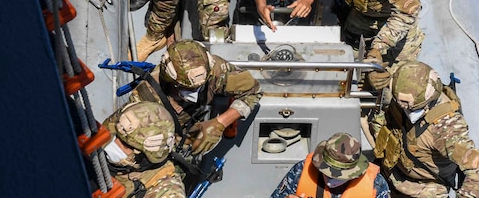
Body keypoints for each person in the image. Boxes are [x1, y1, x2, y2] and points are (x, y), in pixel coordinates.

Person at [371, 61, 479, 197]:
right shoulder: (402, 89)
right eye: (399, 101)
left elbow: (478, 171)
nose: (402, 106)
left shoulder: (446, 128)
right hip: (390, 170)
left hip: (420, 190)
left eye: (407, 104)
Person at [129, 39, 262, 156]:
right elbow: (139, 146)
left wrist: (220, 123)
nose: (195, 92)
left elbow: (253, 90)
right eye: (187, 88)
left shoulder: (213, 70)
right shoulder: (146, 98)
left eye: (199, 86)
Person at [102, 100, 185, 198]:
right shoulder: (106, 138)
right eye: (117, 136)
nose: (115, 144)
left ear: (143, 158)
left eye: (126, 145)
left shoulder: (167, 191)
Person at [269, 132, 391, 198]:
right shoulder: (300, 171)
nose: (329, 179)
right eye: (326, 171)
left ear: (354, 173)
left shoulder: (376, 184)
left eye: (338, 176)